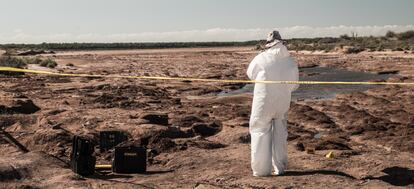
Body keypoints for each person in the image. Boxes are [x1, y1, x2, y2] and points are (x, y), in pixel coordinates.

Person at [246, 30, 299, 177]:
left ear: (268, 44)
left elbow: (251, 74)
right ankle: (280, 168)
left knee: (260, 131)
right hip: (282, 101)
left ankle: (261, 171)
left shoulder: (260, 58)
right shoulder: (290, 61)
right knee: (280, 133)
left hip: (263, 101)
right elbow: (295, 85)